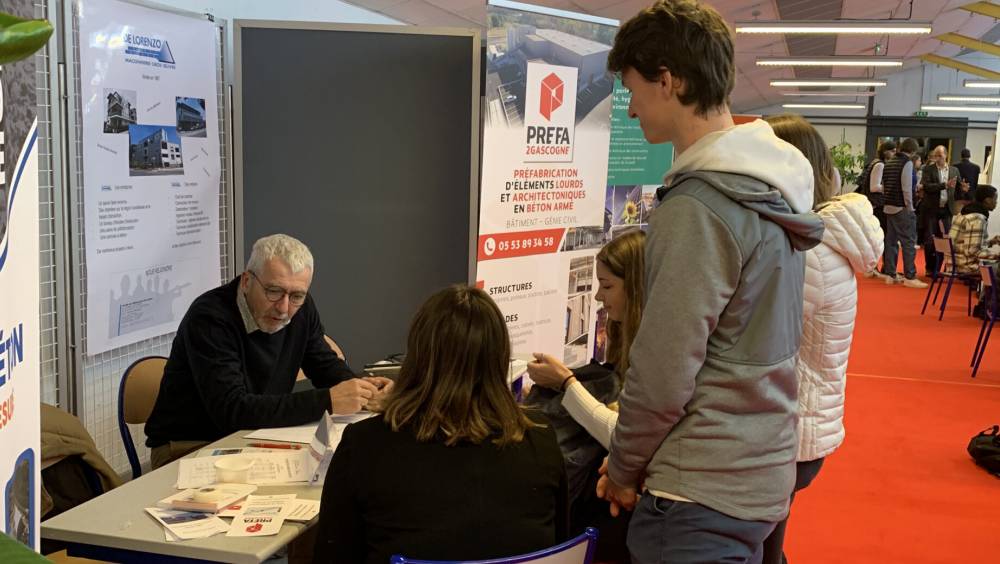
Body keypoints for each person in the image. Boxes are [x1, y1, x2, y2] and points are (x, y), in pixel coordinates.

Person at [599, 1, 825, 561]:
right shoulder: (770, 189)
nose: (629, 112)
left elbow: (664, 367)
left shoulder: (701, 203)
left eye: (632, 91)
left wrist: (624, 467)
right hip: (761, 473)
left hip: (698, 489)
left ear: (668, 81)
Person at [312, 285, 567, 564]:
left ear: (418, 356)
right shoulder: (540, 438)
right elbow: (559, 544)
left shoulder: (364, 445)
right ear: (498, 358)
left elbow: (332, 554)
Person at [144, 234, 390, 468]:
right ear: (247, 281)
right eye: (273, 291)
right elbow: (232, 410)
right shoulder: (210, 318)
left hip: (254, 436)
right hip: (189, 446)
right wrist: (328, 400)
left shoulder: (301, 308)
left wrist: (363, 390)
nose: (284, 308)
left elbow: (324, 365)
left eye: (296, 295)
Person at [760, 115, 884, 564]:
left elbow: (759, 337)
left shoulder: (810, 251)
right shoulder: (816, 239)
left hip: (791, 431)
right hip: (799, 425)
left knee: (761, 547)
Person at [526, 230, 645, 560]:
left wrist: (566, 383)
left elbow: (622, 434)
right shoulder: (630, 346)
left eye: (607, 287)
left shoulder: (655, 352)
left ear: (637, 287)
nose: (596, 298)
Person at [880, 138, 927, 288]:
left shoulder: (889, 163)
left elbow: (884, 186)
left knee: (891, 241)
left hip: (888, 206)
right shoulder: (907, 163)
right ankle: (910, 276)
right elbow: (906, 188)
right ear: (913, 151)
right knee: (908, 242)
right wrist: (910, 206)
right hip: (902, 207)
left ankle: (890, 274)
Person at [919, 146, 960, 277]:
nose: (937, 158)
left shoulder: (954, 170)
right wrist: (944, 185)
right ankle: (929, 268)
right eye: (935, 156)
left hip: (947, 210)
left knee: (945, 240)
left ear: (946, 156)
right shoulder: (928, 169)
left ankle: (938, 268)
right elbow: (926, 186)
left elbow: (957, 188)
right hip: (931, 208)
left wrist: (964, 189)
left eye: (940, 156)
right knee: (930, 239)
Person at [858, 140, 895, 278]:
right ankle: (871, 268)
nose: (894, 153)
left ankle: (872, 267)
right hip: (877, 205)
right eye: (892, 150)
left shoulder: (876, 163)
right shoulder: (879, 164)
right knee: (877, 238)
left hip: (874, 205)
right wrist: (889, 187)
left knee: (875, 238)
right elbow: (874, 187)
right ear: (886, 151)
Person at [949, 184, 1000, 275]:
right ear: (987, 200)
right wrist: (997, 255)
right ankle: (989, 289)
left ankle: (987, 289)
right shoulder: (977, 219)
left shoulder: (966, 213)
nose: (996, 203)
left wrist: (990, 242)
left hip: (955, 261)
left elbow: (969, 245)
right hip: (966, 266)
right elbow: (973, 251)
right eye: (995, 199)